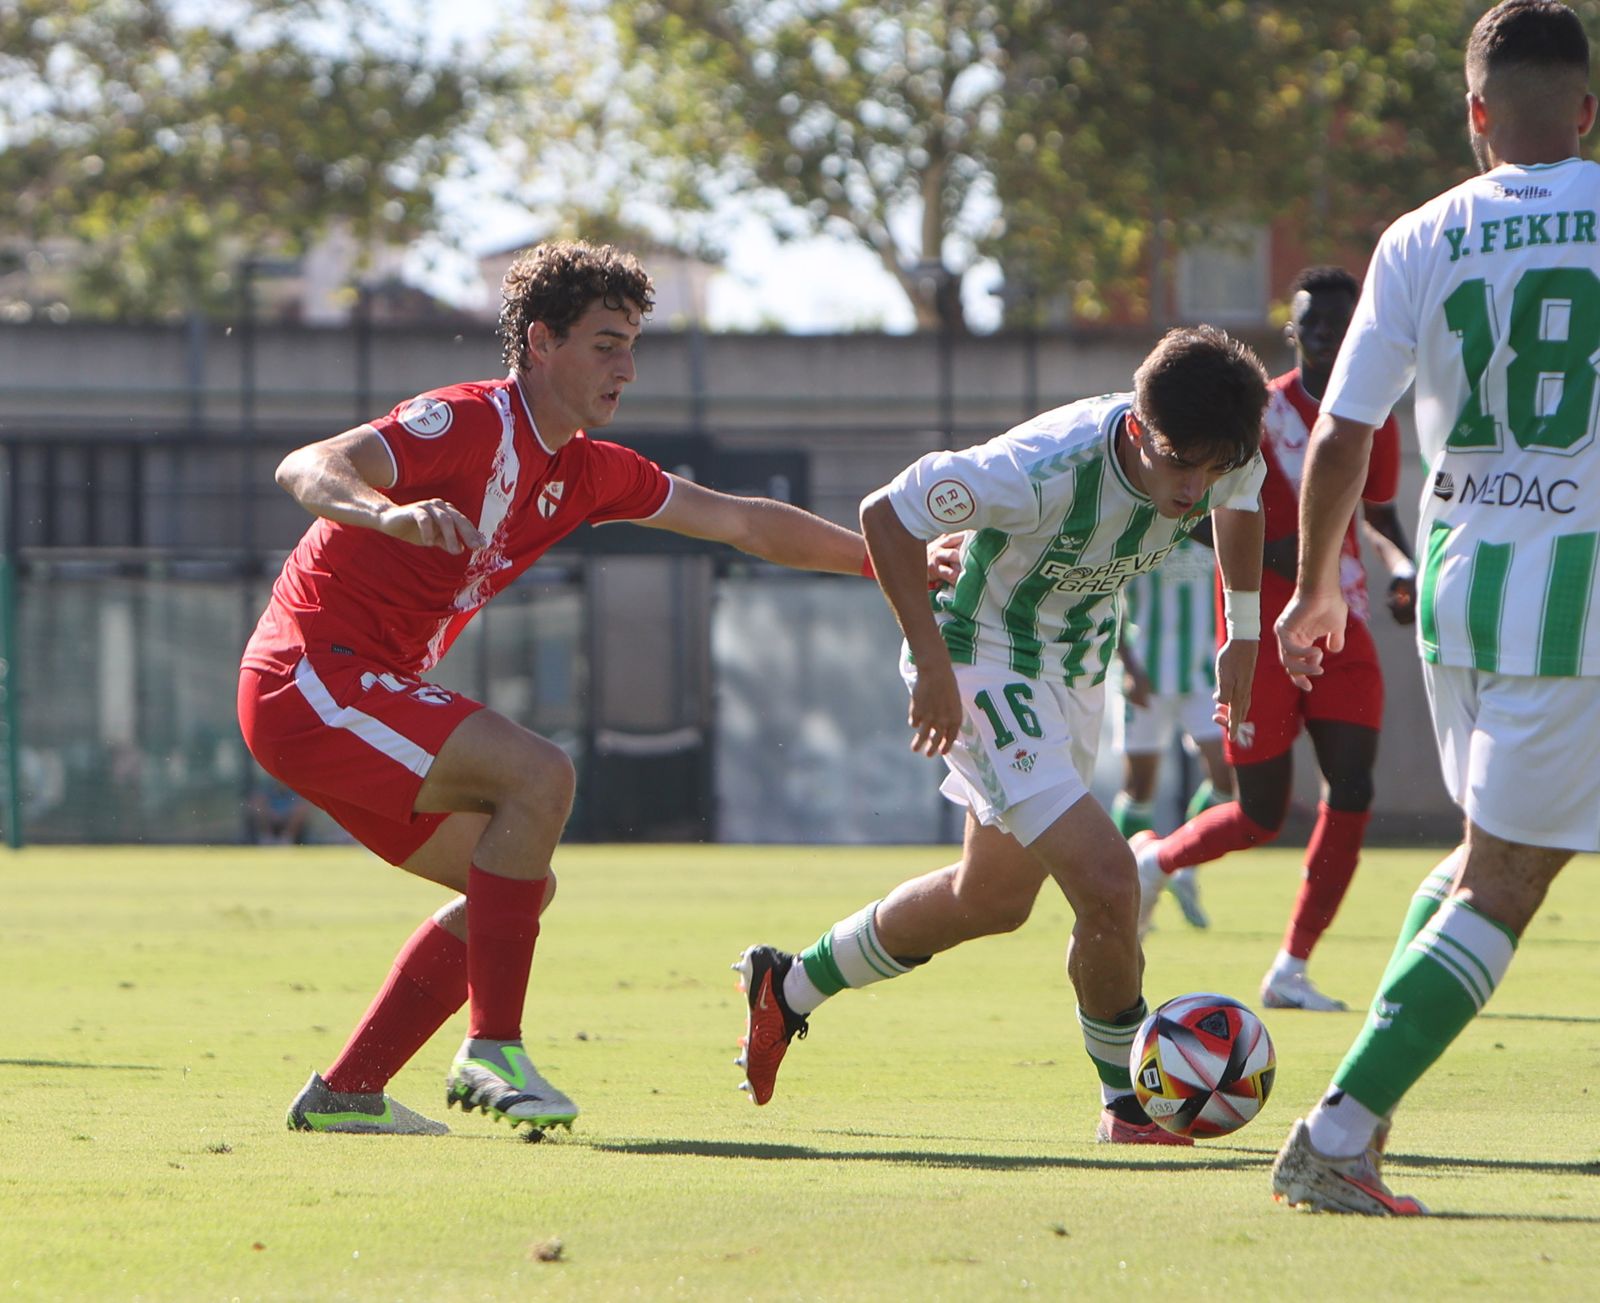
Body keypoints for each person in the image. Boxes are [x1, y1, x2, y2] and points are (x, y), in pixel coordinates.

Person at [238, 239, 901, 1137]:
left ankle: (348, 1092)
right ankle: (493, 1049)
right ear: (541, 342)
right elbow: (307, 465)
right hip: (310, 678)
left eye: (632, 347)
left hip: (357, 690)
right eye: (605, 345)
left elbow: (741, 523)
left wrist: (887, 564)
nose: (626, 369)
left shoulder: (587, 470)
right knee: (540, 775)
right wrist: (386, 512)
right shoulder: (465, 421)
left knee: (516, 883)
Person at [734, 325, 1269, 1145]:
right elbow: (886, 514)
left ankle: (789, 985)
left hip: (1075, 669)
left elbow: (1243, 501)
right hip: (980, 657)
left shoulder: (1226, 449)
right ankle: (1129, 1104)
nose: (1195, 488)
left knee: (990, 899)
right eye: (1179, 465)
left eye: (1212, 467)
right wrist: (931, 664)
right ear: (1137, 428)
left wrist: (1244, 631)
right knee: (1109, 880)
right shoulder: (1040, 468)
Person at [1270, 0, 1600, 1215]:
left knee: (1479, 854)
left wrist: (1316, 588)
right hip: (1576, 602)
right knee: (1508, 875)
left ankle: (1366, 1098)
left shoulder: (1420, 234)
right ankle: (1337, 1132)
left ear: (1474, 114)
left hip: (1459, 595)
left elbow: (1338, 435)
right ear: (1586, 110)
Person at [1131, 267, 1417, 1010]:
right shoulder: (1255, 413)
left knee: (1352, 789)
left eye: (1337, 323)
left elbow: (1380, 514)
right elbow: (1185, 503)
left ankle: (1291, 967)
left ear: (1356, 331)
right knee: (1261, 814)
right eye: (1311, 321)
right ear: (1293, 328)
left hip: (1342, 623)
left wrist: (1402, 567)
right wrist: (1271, 554)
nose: (1323, 333)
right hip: (1256, 632)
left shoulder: (1373, 415)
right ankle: (1155, 861)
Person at [1109, 533, 1237, 929]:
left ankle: (1181, 867)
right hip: (1146, 672)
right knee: (1139, 788)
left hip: (1204, 676)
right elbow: (1107, 598)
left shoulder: (1212, 531)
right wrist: (1127, 664)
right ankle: (1123, 889)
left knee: (1226, 777)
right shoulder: (1140, 531)